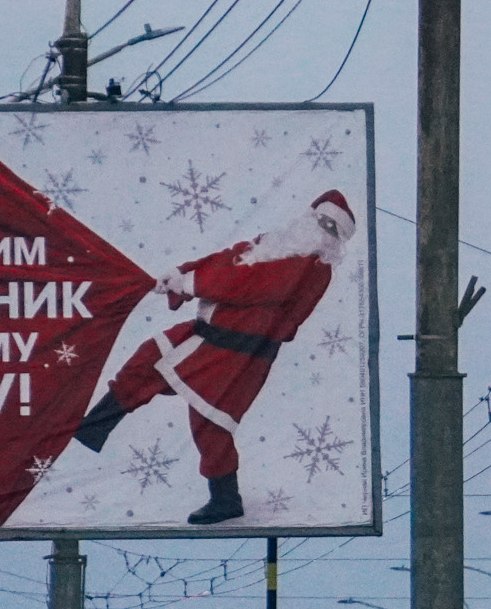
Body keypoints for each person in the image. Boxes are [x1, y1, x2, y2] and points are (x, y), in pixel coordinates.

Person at [71, 189, 355, 524]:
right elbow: (228, 259)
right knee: (148, 359)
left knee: (210, 420)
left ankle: (225, 498)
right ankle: (90, 427)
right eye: (319, 219)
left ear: (336, 240)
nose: (321, 228)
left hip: (239, 353)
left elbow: (253, 284)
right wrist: (180, 274)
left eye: (330, 228)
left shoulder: (311, 268)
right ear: (307, 217)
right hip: (207, 334)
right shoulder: (272, 244)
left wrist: (190, 283)